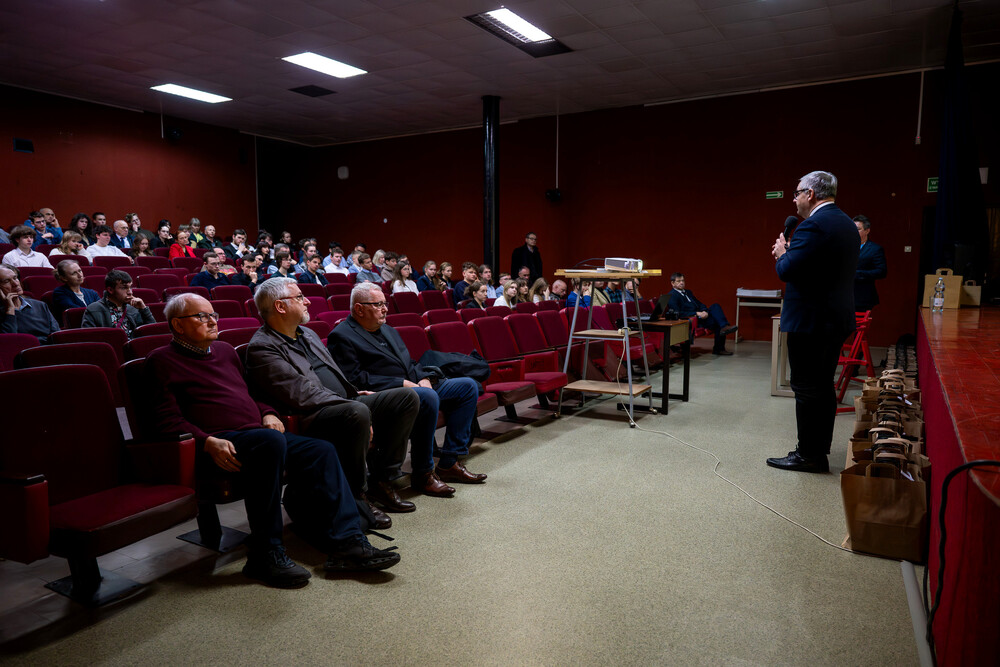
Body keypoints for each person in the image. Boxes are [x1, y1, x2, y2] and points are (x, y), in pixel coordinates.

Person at [147, 293, 399, 588]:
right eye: (201, 316)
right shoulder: (160, 361)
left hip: (257, 433)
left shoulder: (225, 351)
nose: (212, 321)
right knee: (270, 442)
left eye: (213, 314)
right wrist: (206, 441)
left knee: (320, 449)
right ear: (177, 325)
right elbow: (165, 421)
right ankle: (265, 553)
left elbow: (253, 393)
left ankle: (349, 542)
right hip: (220, 442)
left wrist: (267, 412)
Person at [245, 278, 421, 523]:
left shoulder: (307, 333)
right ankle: (358, 495)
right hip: (311, 414)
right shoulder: (263, 348)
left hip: (342, 402)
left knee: (406, 398)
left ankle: (382, 479)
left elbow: (333, 374)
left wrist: (353, 393)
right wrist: (348, 403)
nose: (307, 301)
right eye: (299, 297)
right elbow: (302, 395)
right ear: (280, 306)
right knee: (357, 412)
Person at [329, 283, 487, 496]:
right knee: (428, 396)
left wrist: (423, 377)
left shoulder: (388, 329)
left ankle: (449, 462)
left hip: (416, 385)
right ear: (359, 309)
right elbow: (354, 379)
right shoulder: (342, 336)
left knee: (467, 387)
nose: (385, 309)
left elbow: (409, 362)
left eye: (385, 303)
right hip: (388, 395)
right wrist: (401, 383)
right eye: (378, 304)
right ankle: (423, 473)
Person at [766, 170, 859, 474]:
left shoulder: (813, 226)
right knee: (822, 387)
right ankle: (818, 451)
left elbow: (787, 270)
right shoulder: (846, 223)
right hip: (834, 319)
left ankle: (808, 455)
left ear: (811, 194)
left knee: (807, 388)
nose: (794, 200)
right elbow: (819, 269)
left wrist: (782, 253)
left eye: (796, 193)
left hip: (812, 322)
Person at [663, 273, 737, 355]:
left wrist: (704, 311)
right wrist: (696, 313)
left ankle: (723, 330)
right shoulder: (672, 296)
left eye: (683, 280)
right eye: (679, 281)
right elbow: (678, 313)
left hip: (701, 317)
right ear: (672, 283)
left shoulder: (688, 292)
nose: (682, 283)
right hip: (691, 320)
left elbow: (699, 304)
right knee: (718, 322)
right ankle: (722, 335)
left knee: (716, 307)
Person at [81, 269, 155, 339]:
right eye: (124, 288)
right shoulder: (94, 309)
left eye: (130, 287)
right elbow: (89, 338)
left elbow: (151, 333)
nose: (130, 292)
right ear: (110, 290)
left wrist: (144, 309)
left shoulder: (133, 308)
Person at [0, 264, 60, 342]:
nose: (15, 284)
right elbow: (9, 343)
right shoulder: (4, 313)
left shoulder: (40, 305)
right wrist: (10, 310)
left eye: (15, 278)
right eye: (6, 281)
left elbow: (57, 336)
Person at [852, 215, 887, 313]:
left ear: (867, 231)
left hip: (862, 297)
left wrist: (857, 274)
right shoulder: (846, 246)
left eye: (858, 229)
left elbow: (881, 272)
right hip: (844, 297)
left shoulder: (875, 249)